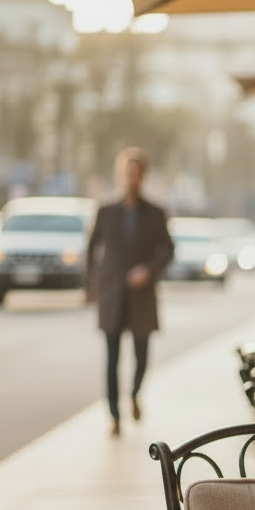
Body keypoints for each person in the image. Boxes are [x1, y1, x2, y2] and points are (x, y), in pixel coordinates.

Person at [85, 147, 174, 437]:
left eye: (137, 172)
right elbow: (91, 248)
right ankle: (113, 415)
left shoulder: (156, 212)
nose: (132, 177)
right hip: (112, 294)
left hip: (142, 295)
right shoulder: (106, 210)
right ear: (120, 173)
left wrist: (147, 270)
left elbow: (168, 249)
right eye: (127, 171)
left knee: (142, 355)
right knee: (111, 358)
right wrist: (92, 286)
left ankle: (134, 393)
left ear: (143, 176)